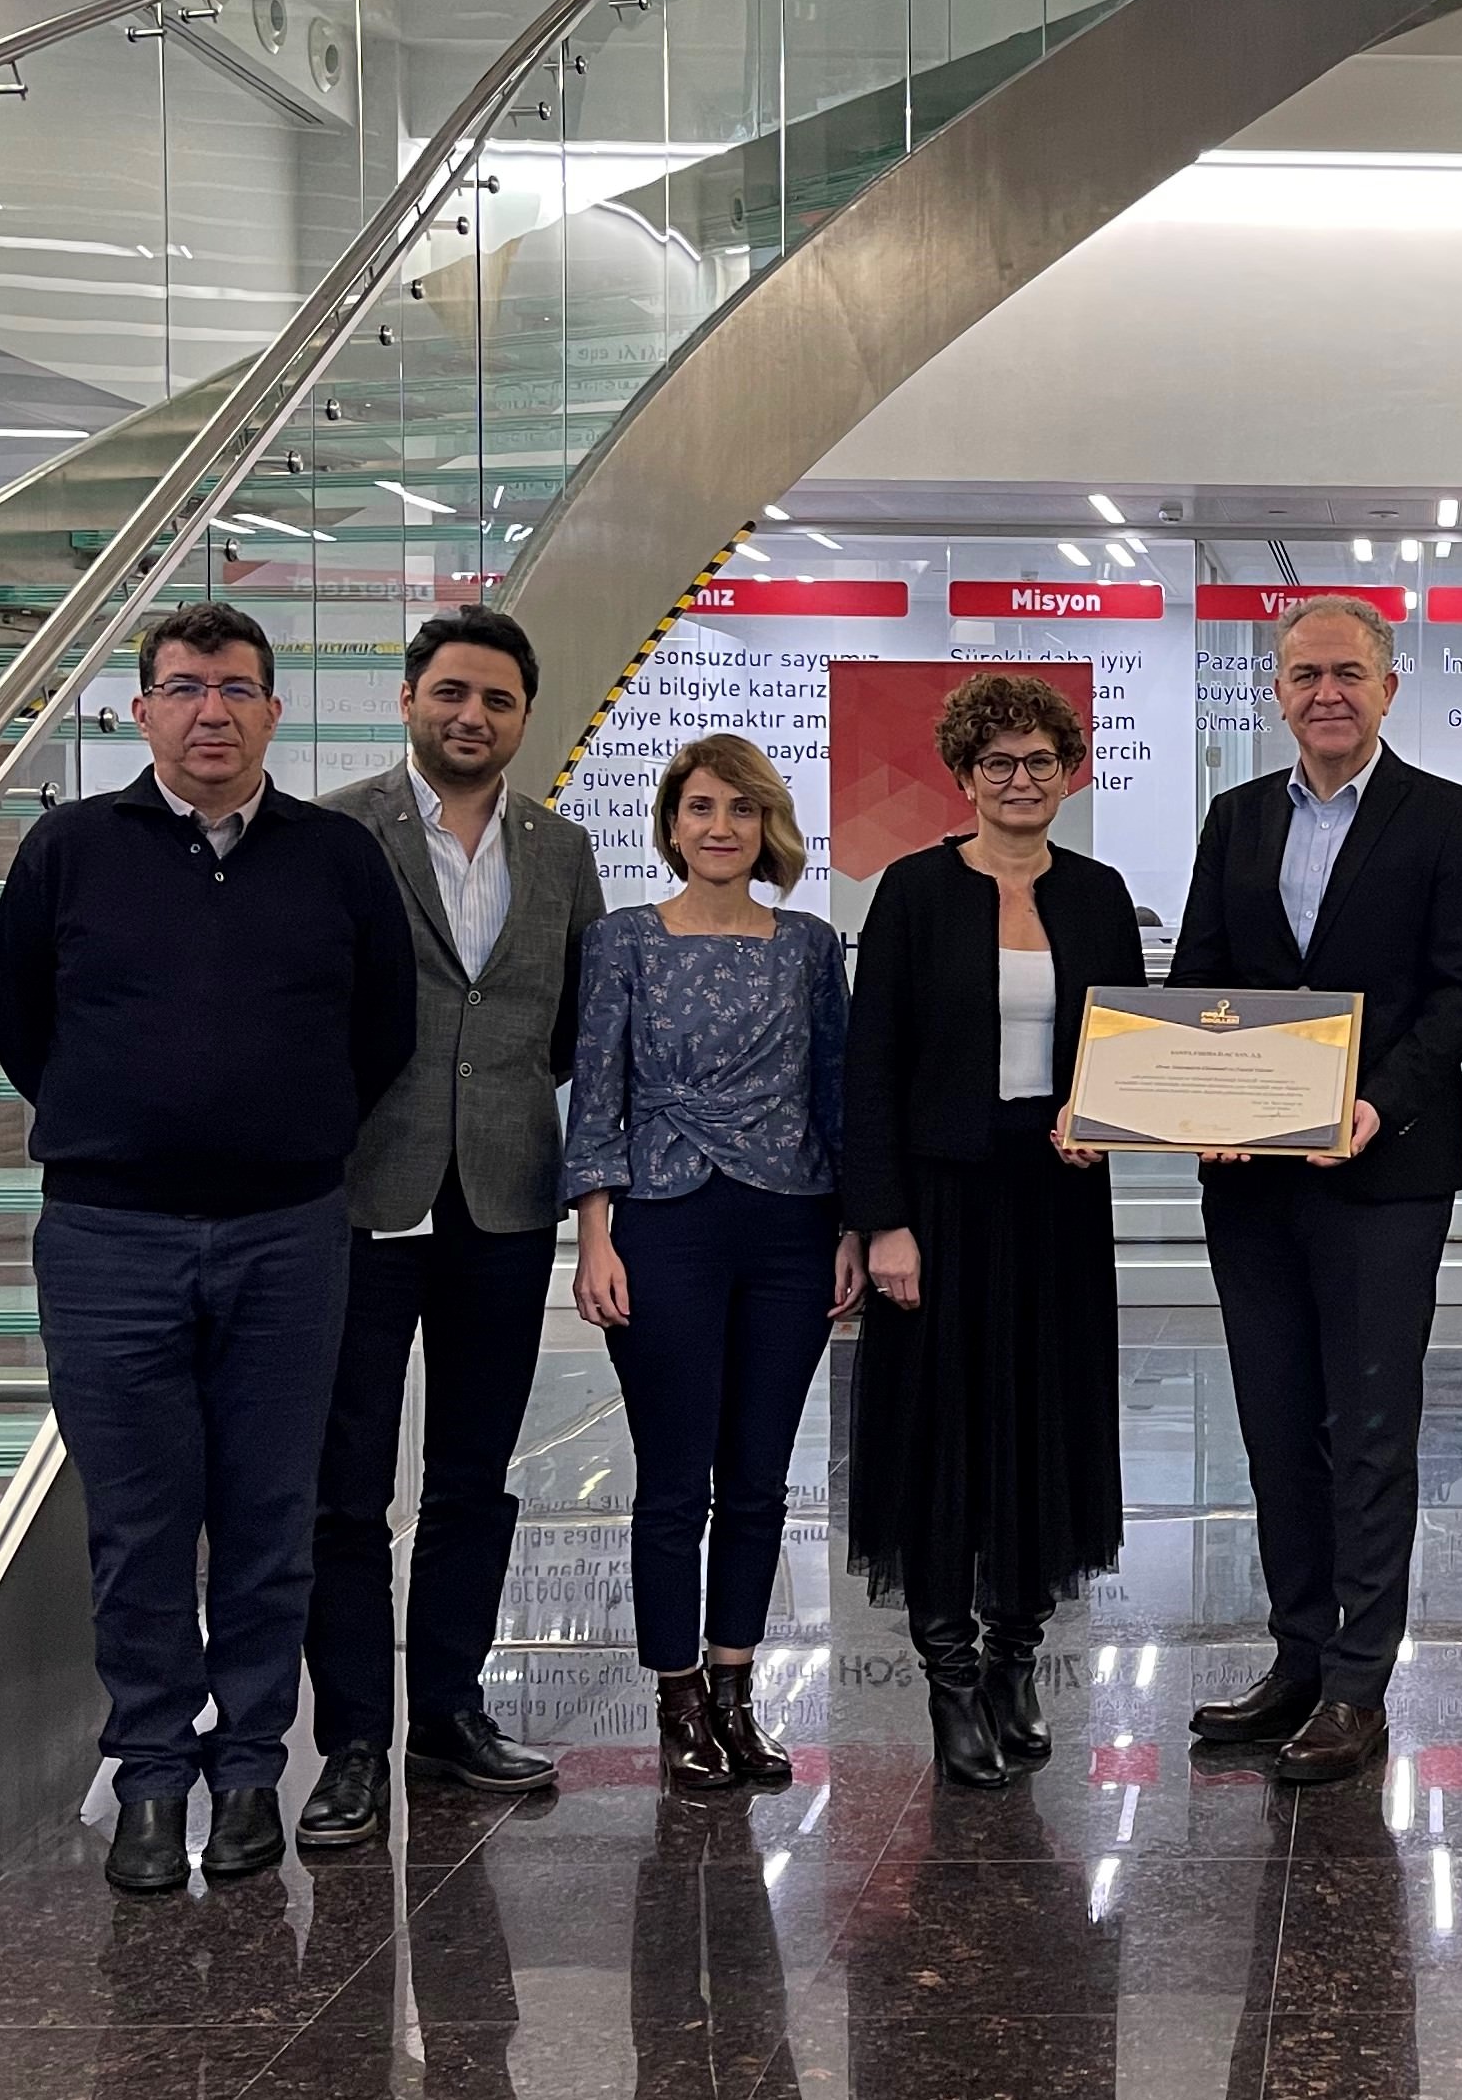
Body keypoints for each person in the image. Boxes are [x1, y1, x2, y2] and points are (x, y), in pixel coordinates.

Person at [0, 602, 416, 1894]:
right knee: (138, 1524)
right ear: (142, 710)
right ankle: (150, 1776)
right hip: (109, 1236)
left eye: (235, 688)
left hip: (287, 1234)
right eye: (183, 687)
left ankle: (246, 1775)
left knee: (271, 1518)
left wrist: (283, 1132)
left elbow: (382, 1028)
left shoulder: (335, 856)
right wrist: (131, 1126)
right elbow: (22, 1022)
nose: (210, 711)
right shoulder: (69, 850)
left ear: (274, 710)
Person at [295, 607, 608, 1851]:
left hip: (504, 1197)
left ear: (523, 717)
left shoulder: (561, 848)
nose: (472, 715)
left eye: (496, 700)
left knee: (475, 1476)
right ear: (410, 700)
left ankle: (449, 1714)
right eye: (451, 693)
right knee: (346, 1488)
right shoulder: (333, 833)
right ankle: (351, 1742)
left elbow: (576, 1023)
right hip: (364, 1192)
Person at [1172, 594, 1462, 1784]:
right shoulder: (1238, 817)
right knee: (1274, 1425)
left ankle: (1360, 1682)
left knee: (1369, 1428)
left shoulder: (1447, 818)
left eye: (1349, 674)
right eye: (1305, 674)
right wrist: (1201, 1102)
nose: (1327, 693)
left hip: (1385, 1173)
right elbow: (1201, 976)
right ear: (1276, 691)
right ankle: (1300, 1658)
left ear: (1388, 688)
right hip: (1253, 1181)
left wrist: (1378, 1103)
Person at [841, 672, 1144, 1787]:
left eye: (1041, 761)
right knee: (939, 1433)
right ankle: (951, 1677)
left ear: (1070, 773)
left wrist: (1111, 1120)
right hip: (939, 1202)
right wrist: (882, 1223)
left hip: (1057, 1197)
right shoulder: (914, 891)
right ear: (964, 777)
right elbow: (870, 1067)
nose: (1022, 780)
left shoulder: (1100, 894)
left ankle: (1017, 1658)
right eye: (998, 763)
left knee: (1042, 1424)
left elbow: (1126, 1047)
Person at [562, 732, 863, 1793]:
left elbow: (836, 1090)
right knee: (671, 1479)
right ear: (671, 825)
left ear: (768, 824)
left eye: (741, 808)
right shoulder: (622, 940)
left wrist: (852, 1227)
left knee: (759, 1479)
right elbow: (595, 1089)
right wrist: (593, 1233)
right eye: (700, 807)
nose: (721, 827)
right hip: (663, 1221)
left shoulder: (807, 945)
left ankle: (736, 1690)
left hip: (790, 1226)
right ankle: (677, 1696)